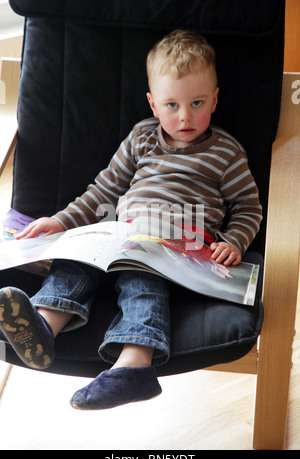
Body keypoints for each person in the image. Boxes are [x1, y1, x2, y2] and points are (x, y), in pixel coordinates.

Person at [0, 30, 262, 410]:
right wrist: (60, 220)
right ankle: (42, 327)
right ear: (153, 104)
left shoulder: (226, 152)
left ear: (215, 99)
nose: (185, 116)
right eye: (172, 105)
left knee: (141, 280)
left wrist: (234, 242)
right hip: (119, 235)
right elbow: (103, 191)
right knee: (77, 261)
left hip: (177, 247)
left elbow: (248, 207)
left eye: (197, 102)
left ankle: (135, 365)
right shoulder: (141, 138)